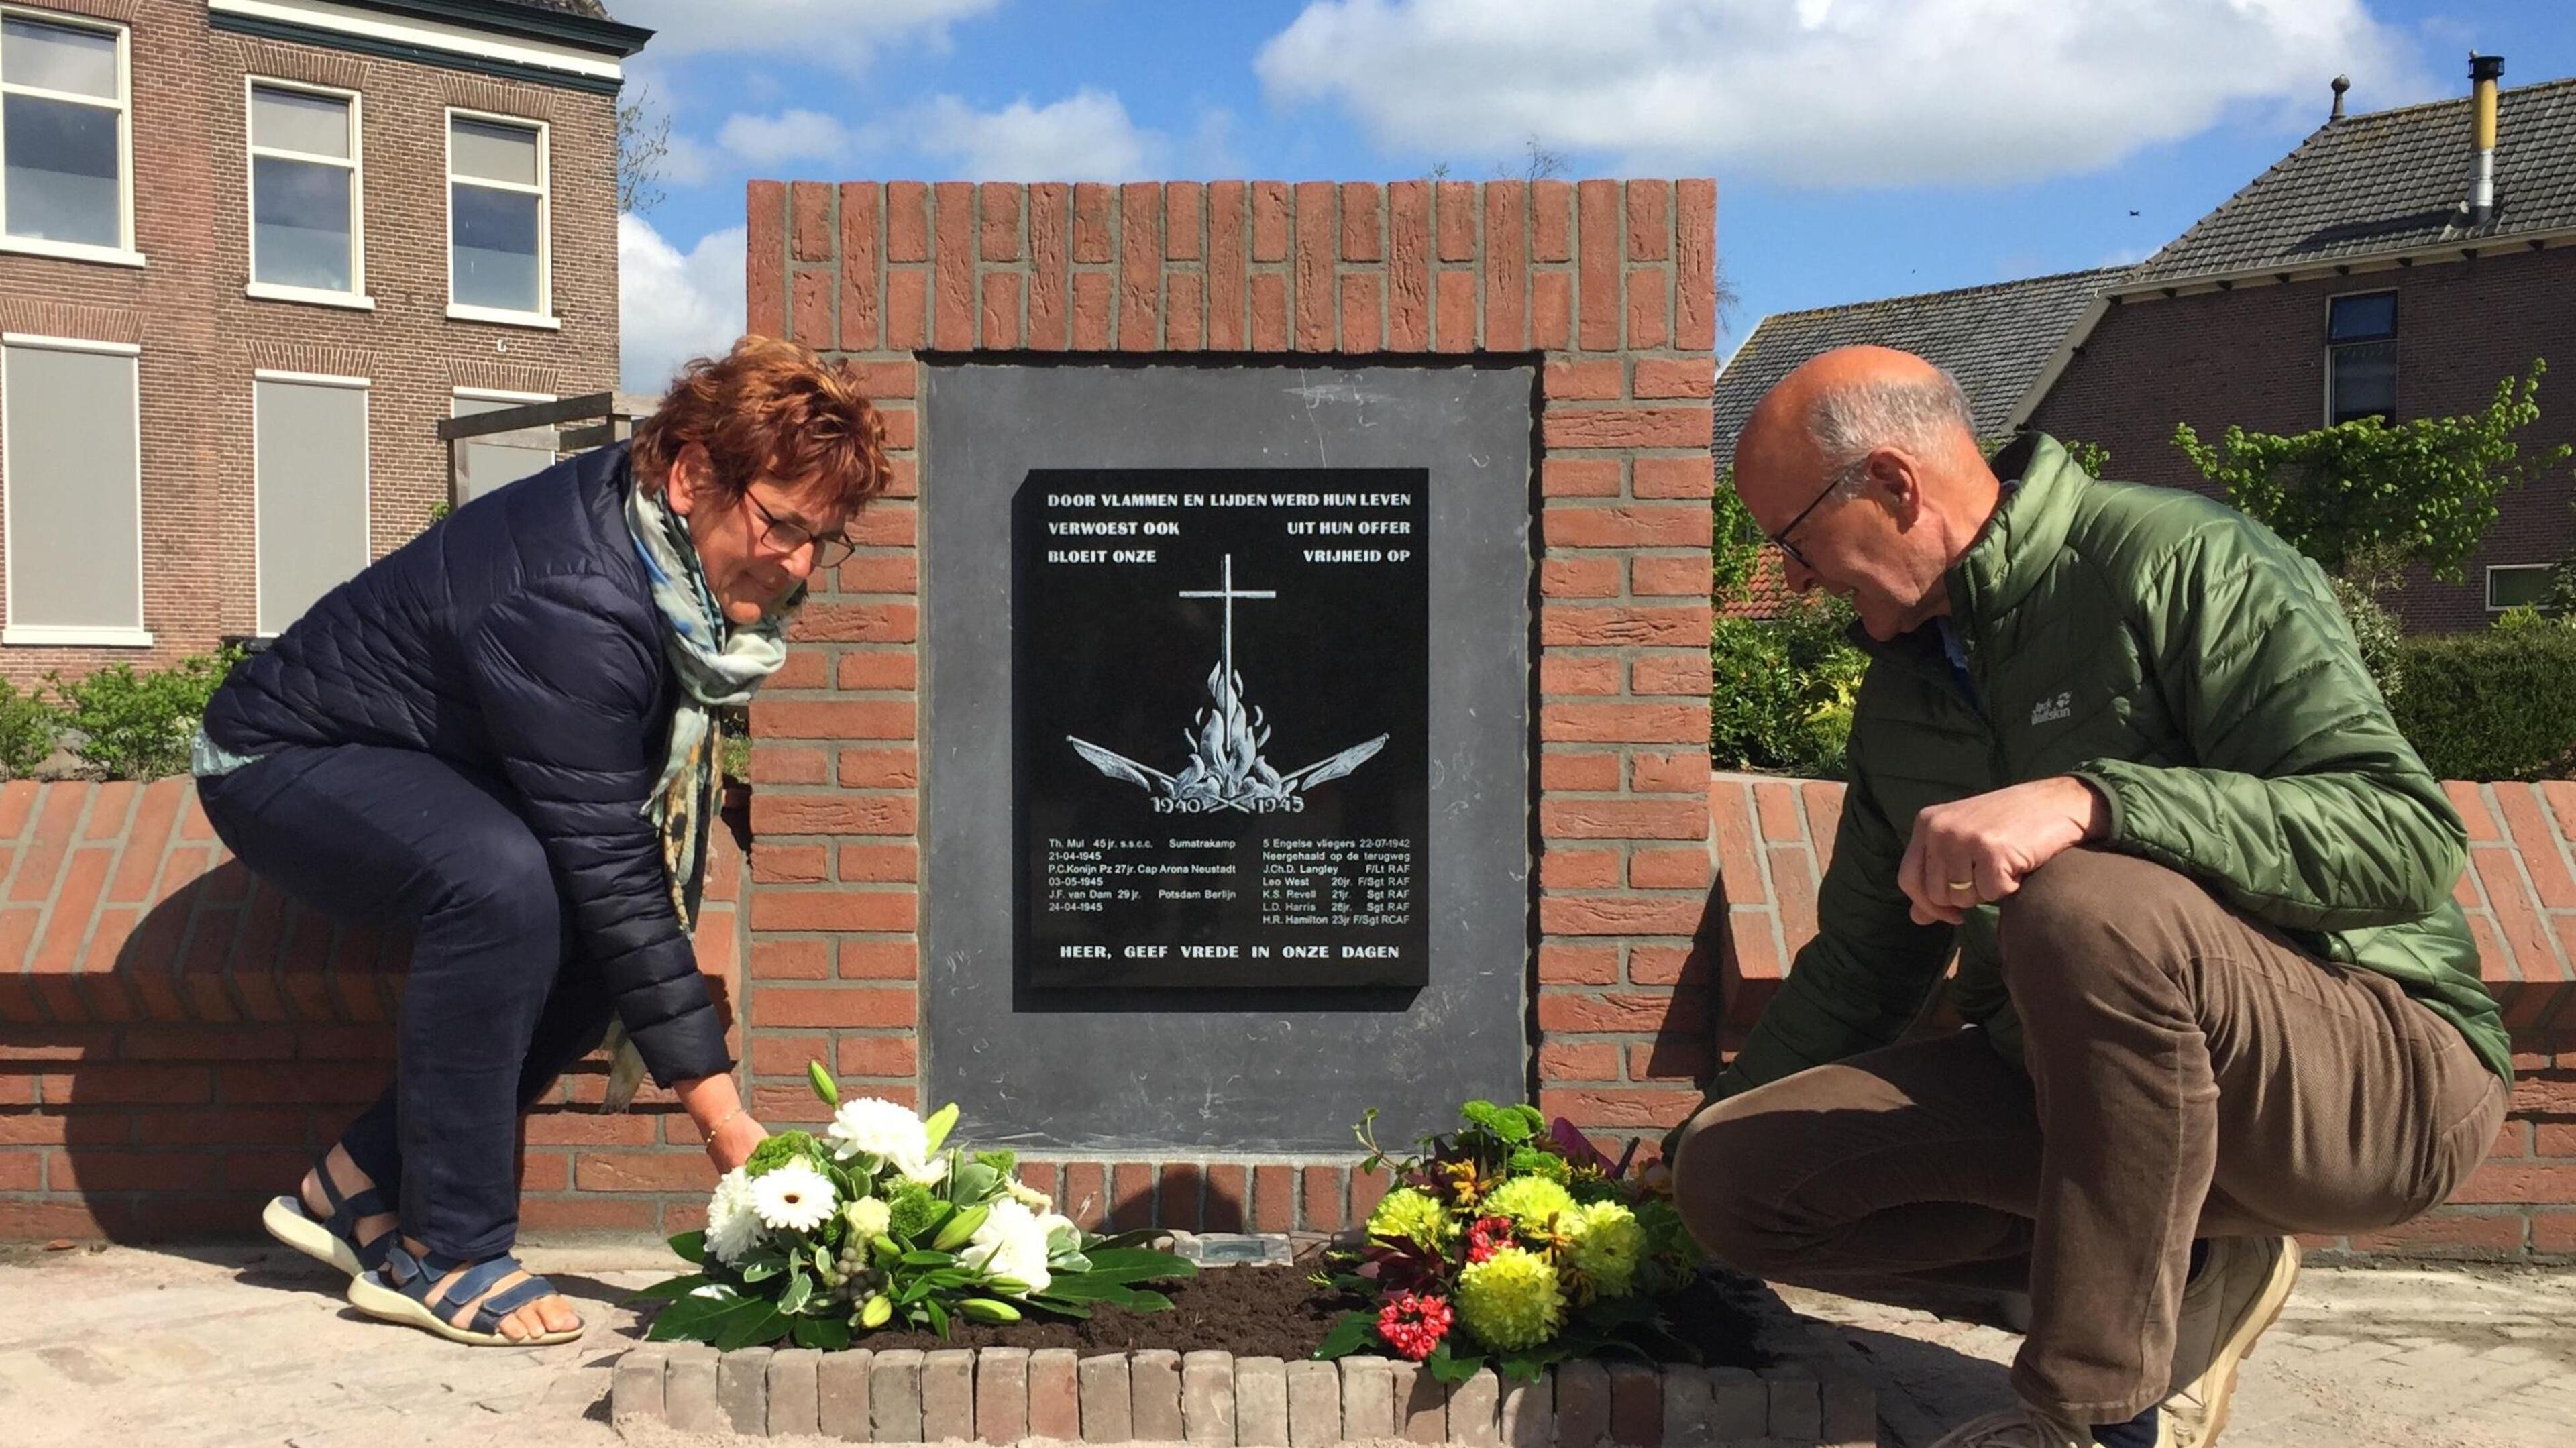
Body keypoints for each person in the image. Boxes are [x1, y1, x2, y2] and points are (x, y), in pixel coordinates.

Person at [1668, 346, 2509, 1448]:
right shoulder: (1905, 694)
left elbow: (2402, 838)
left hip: (2376, 1070)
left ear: (1891, 483)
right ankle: (2195, 1270)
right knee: (1735, 1178)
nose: (1796, 583)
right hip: (2092, 1105)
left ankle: (2090, 1414)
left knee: (2083, 904)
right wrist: (1658, 1180)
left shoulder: (2177, 559)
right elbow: (1865, 969)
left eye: (1794, 541)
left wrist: (2093, 801)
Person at [195, 335, 891, 1346]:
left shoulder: (653, 543)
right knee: (504, 885)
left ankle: (353, 1186)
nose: (796, 564)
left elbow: (606, 859)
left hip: (412, 757)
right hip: (277, 759)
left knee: (581, 933)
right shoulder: (576, 598)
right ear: (694, 473)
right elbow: (614, 862)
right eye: (781, 524)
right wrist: (727, 1121)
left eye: (822, 539)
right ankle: (446, 1251)